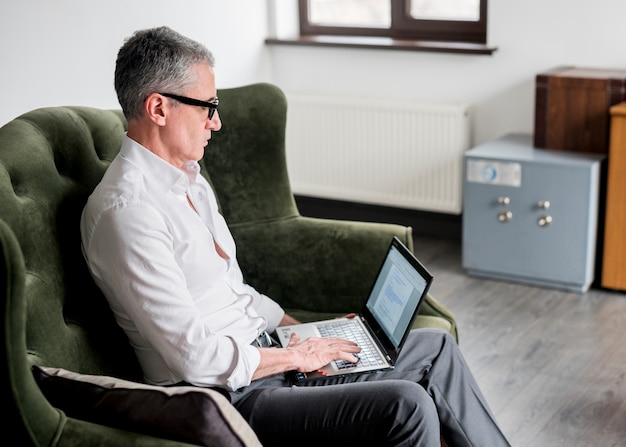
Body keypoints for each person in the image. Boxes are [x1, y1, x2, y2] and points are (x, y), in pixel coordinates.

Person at [80, 26, 511, 447]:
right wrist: (298, 357)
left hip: (269, 358)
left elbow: (234, 295)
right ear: (159, 108)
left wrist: (308, 333)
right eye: (207, 107)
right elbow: (195, 358)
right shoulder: (129, 213)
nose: (217, 122)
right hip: (230, 396)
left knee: (434, 346)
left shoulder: (189, 179)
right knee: (407, 404)